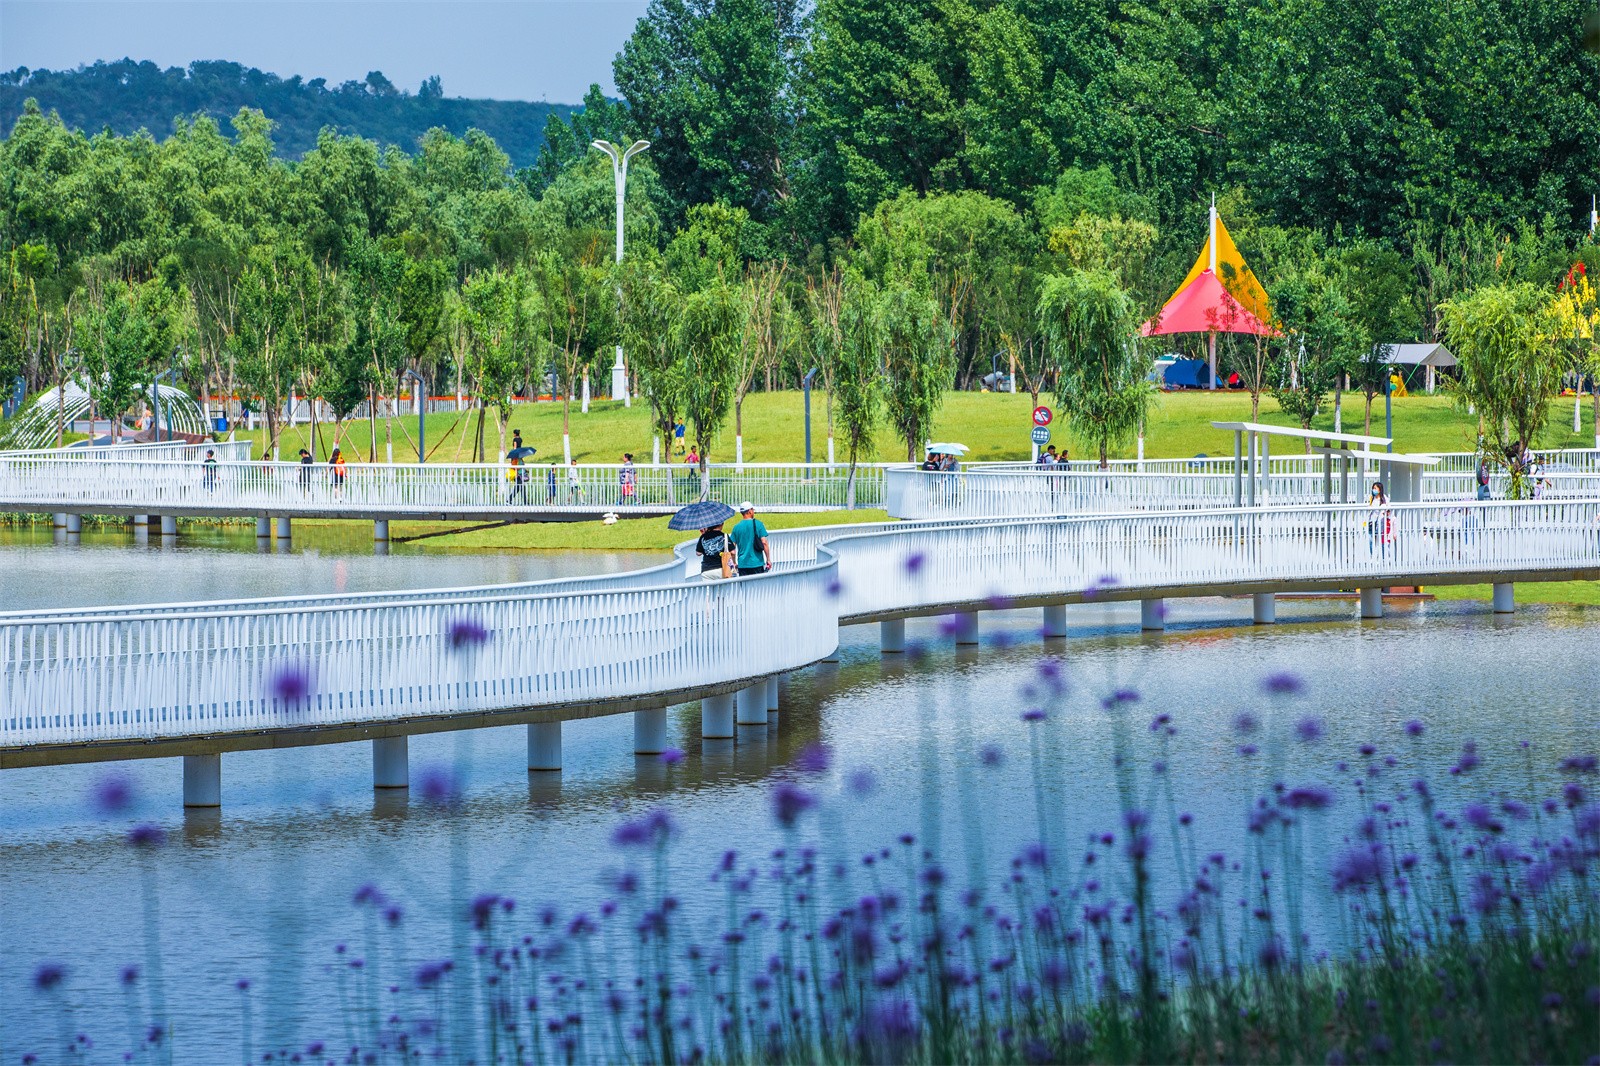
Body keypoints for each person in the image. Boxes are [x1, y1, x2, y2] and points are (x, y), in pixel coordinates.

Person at [728, 501, 772, 576]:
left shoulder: (736, 527)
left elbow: (732, 548)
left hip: (743, 564)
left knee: (744, 587)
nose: (753, 512)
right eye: (752, 510)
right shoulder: (758, 524)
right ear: (749, 511)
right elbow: (764, 542)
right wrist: (768, 559)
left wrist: (734, 562)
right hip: (757, 563)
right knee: (757, 587)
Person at [1367, 480, 1390, 557]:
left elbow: (1388, 509)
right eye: (1373, 488)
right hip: (1371, 522)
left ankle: (1381, 556)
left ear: (1380, 490)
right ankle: (1372, 555)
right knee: (1370, 539)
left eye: (1375, 488)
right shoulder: (1372, 499)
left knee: (1380, 540)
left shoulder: (1384, 499)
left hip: (1380, 522)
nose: (1374, 490)